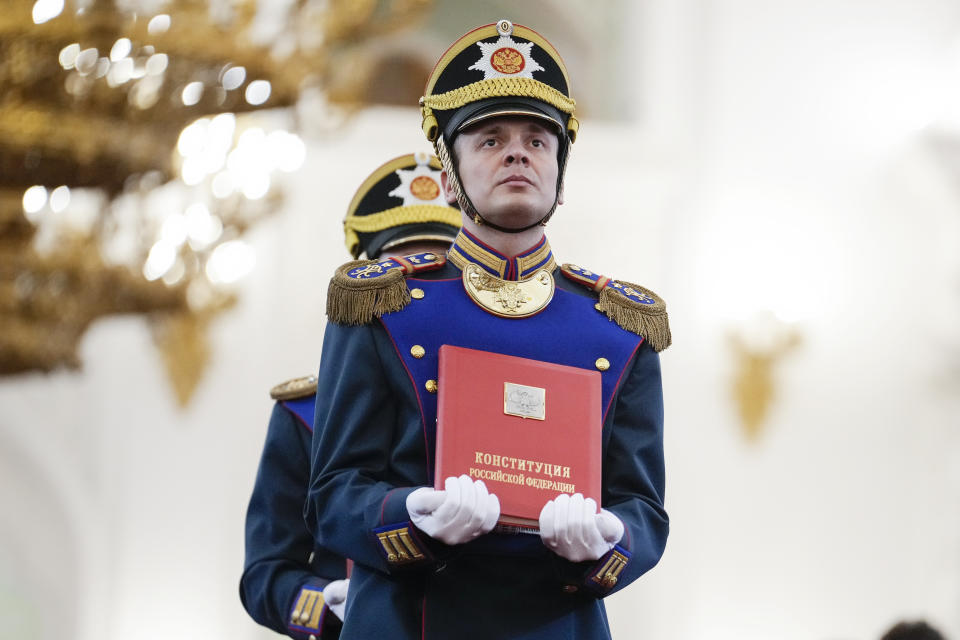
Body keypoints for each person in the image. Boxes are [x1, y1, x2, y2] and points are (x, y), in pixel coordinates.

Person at [307, 19, 671, 639]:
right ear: (448, 176)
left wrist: (607, 538)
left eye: (538, 139)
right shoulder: (383, 305)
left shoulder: (617, 325)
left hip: (553, 622)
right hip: (409, 616)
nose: (517, 153)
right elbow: (333, 494)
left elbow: (644, 510)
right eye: (489, 138)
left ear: (560, 169)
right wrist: (410, 514)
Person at [240, 153, 461, 639]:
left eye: (437, 276)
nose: (420, 292)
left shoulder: (501, 398)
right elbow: (266, 572)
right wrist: (324, 602)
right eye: (403, 277)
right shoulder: (305, 415)